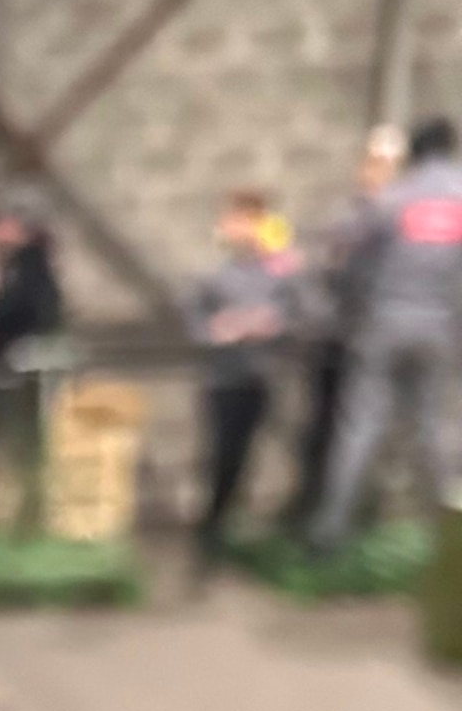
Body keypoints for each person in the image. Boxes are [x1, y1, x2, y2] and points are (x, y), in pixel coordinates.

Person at [311, 114, 462, 551]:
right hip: (440, 329)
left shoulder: (394, 199)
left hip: (385, 324)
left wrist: (349, 310)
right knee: (433, 429)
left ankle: (330, 533)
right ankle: (448, 537)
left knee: (360, 426)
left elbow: (352, 261)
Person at [286, 124, 407, 530]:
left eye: (389, 165)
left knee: (370, 432)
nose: (378, 173)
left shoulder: (402, 222)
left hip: (377, 341)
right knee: (322, 428)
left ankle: (356, 514)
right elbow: (318, 274)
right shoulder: (346, 218)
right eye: (373, 163)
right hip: (334, 341)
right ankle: (312, 508)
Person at [186, 187, 290, 563]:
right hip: (222, 380)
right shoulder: (212, 275)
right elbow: (195, 325)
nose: (240, 228)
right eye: (235, 219)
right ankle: (211, 529)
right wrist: (220, 330)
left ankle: (235, 524)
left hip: (261, 377)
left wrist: (270, 325)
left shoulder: (277, 273)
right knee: (221, 457)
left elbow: (297, 313)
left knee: (251, 455)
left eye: (249, 219)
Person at [0, 193, 65, 532]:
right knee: (9, 447)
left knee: (25, 446)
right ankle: (14, 517)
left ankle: (29, 517)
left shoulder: (31, 266)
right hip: (6, 370)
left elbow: (29, 314)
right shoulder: (12, 267)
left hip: (23, 375)